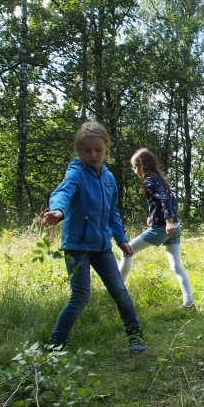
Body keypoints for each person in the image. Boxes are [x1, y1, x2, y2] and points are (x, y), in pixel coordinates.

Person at [42, 122, 146, 353]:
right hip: (77, 247)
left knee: (120, 291)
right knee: (80, 296)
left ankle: (135, 337)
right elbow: (63, 192)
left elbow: (111, 212)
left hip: (101, 247)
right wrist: (58, 212)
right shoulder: (76, 172)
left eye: (98, 149)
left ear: (106, 147)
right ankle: (55, 345)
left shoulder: (109, 178)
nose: (93, 155)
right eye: (87, 150)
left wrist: (121, 238)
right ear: (80, 150)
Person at [118, 148, 194, 308]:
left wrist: (168, 221)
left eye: (134, 167)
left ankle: (116, 289)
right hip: (174, 228)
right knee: (176, 266)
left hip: (163, 228)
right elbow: (165, 200)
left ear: (142, 165)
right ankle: (189, 302)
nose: (134, 170)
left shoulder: (149, 180)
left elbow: (165, 199)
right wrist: (154, 216)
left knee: (127, 250)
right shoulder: (158, 179)